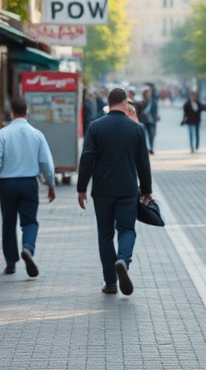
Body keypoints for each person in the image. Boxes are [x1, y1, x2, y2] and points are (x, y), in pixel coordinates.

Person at [77, 88, 152, 296]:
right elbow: (143, 163)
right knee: (127, 229)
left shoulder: (95, 127)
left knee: (105, 235)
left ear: (109, 104)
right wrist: (146, 190)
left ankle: (110, 282)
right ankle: (123, 261)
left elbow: (87, 159)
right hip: (127, 190)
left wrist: (81, 188)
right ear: (125, 103)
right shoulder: (137, 129)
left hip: (102, 190)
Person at [0, 96, 56, 277]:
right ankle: (27, 248)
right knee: (30, 221)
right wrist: (51, 185)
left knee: (9, 222)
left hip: (7, 184)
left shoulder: (2, 134)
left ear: (12, 112)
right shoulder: (37, 134)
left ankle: (11, 263)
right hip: (29, 183)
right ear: (27, 111)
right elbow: (46, 163)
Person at [140, 86, 158, 154]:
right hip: (143, 120)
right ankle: (146, 148)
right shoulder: (142, 101)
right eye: (146, 92)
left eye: (149, 92)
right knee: (144, 135)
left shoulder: (153, 101)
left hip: (151, 121)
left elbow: (155, 111)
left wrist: (156, 117)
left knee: (151, 135)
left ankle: (151, 148)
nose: (148, 94)